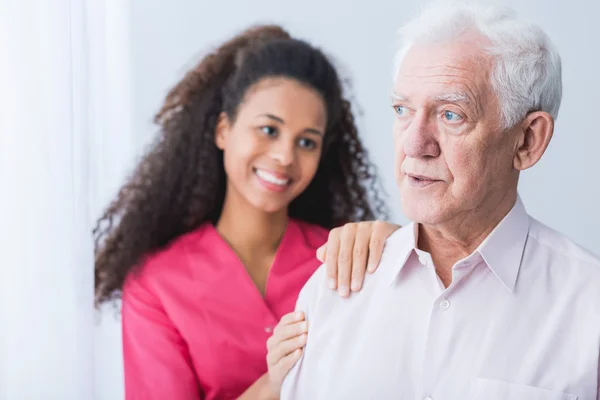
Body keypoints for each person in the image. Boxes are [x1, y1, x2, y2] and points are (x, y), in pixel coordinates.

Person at [278, 2, 600, 399]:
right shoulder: (332, 290)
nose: (414, 144)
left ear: (527, 140)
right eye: (403, 110)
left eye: (451, 115)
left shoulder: (590, 308)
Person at [93, 25, 400, 400]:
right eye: (269, 130)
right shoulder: (156, 285)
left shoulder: (343, 261)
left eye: (306, 141)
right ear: (224, 130)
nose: (285, 156)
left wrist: (399, 250)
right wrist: (273, 385)